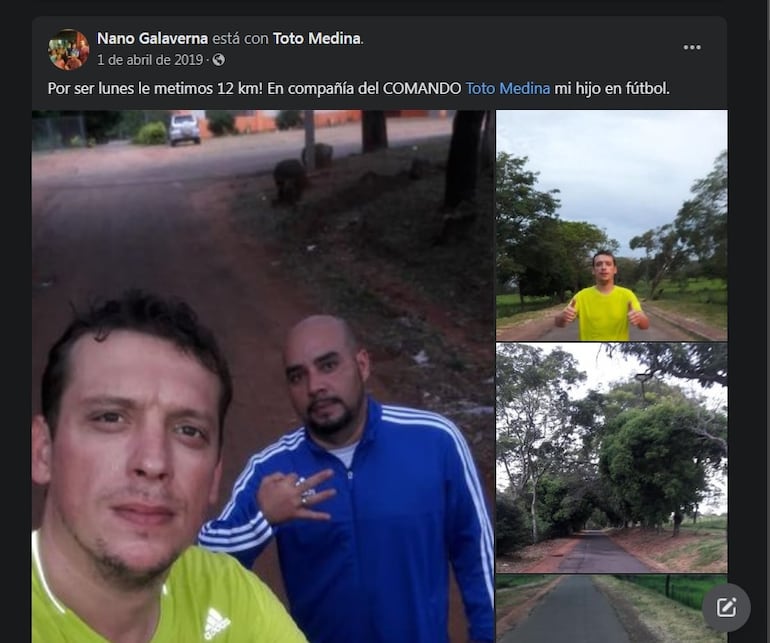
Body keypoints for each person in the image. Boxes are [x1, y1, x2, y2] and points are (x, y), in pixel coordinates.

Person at [31, 289, 307, 643]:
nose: (153, 461)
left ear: (214, 477)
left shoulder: (229, 596)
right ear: (43, 450)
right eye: (111, 417)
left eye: (188, 431)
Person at [198, 314, 494, 643]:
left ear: (362, 365)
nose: (315, 387)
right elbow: (201, 560)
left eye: (328, 366)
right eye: (298, 376)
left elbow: (478, 557)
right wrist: (262, 520)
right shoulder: (271, 468)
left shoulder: (435, 441)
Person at [554, 249, 650, 340]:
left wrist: (639, 318)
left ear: (615, 269)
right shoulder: (581, 296)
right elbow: (559, 324)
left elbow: (645, 326)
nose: (603, 267)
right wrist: (563, 316)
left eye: (608, 264)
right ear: (593, 270)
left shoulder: (627, 295)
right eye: (599, 264)